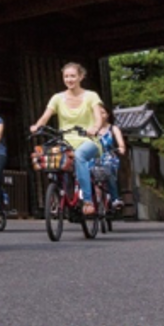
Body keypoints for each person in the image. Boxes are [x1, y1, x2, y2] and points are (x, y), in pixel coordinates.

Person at [29, 62, 105, 215]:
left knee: (79, 156)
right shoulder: (57, 98)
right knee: (49, 157)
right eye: (66, 76)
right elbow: (45, 117)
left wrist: (95, 127)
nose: (69, 79)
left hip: (88, 140)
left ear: (81, 77)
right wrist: (37, 126)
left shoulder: (91, 96)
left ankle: (88, 201)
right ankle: (62, 192)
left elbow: (98, 117)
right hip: (65, 141)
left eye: (73, 76)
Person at [98, 112, 128, 211]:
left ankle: (115, 198)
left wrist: (121, 148)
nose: (100, 115)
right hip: (95, 157)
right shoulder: (91, 129)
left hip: (109, 156)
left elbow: (121, 145)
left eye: (102, 112)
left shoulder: (113, 129)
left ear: (108, 115)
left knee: (108, 167)